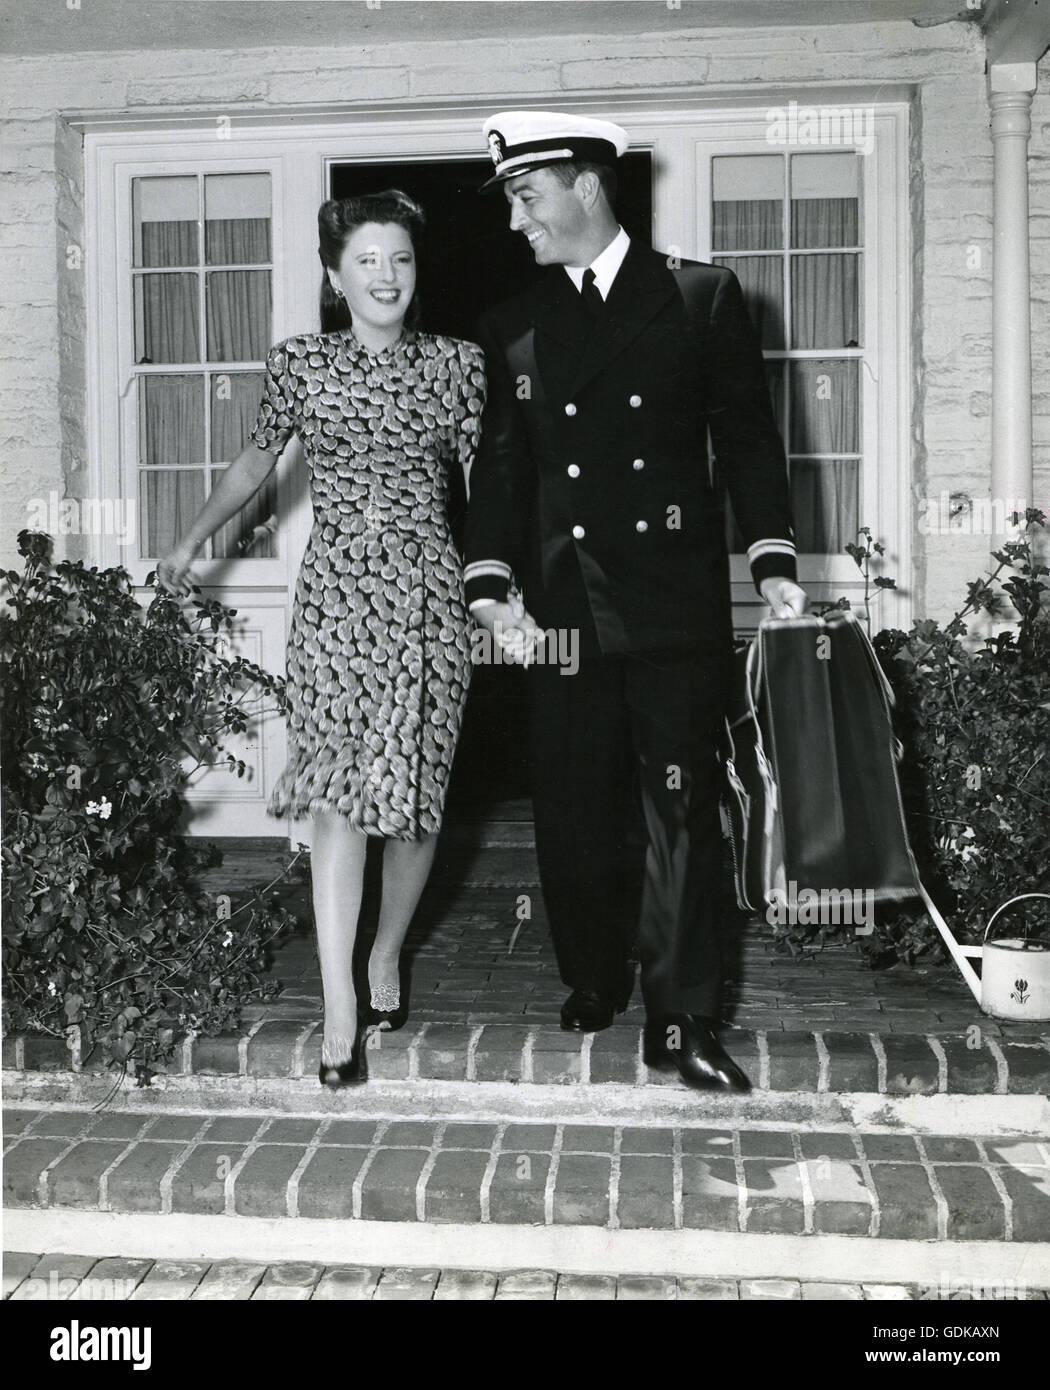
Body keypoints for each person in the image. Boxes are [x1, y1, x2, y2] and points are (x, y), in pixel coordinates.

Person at [465, 112, 807, 1093]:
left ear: (585, 188)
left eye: (528, 198)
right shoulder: (514, 325)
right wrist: (490, 583)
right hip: (564, 609)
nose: (518, 222)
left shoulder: (699, 297)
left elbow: (746, 438)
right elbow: (501, 472)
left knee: (678, 814)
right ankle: (596, 974)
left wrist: (771, 556)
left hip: (670, 600)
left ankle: (682, 1015)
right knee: (574, 806)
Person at [157, 191, 486, 1087]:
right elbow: (258, 460)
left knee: (414, 800)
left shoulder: (459, 365)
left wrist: (509, 589)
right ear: (336, 278)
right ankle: (339, 999)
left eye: (402, 260)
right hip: (337, 599)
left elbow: (491, 487)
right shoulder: (300, 363)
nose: (387, 276)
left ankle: (387, 950)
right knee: (341, 796)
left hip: (427, 599)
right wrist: (194, 538)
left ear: (417, 274)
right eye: (368, 261)